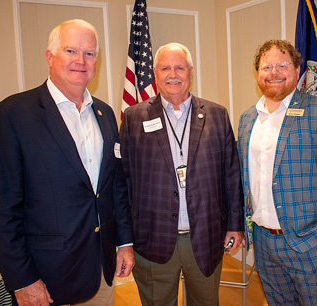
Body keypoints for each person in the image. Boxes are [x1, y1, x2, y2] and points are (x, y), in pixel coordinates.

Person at [0, 19, 134, 306]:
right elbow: (1, 208)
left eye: (89, 53)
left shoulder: (105, 116)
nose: (81, 60)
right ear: (49, 56)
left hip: (100, 271)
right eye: (70, 51)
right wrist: (22, 279)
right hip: (46, 278)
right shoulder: (12, 115)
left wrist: (124, 243)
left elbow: (115, 188)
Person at [119, 42, 244, 306]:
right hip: (152, 238)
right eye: (165, 68)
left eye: (179, 67)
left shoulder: (216, 114)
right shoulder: (133, 117)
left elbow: (231, 176)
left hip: (206, 236)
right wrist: (124, 240)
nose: (172, 74)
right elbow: (123, 182)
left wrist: (235, 225)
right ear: (155, 73)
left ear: (190, 71)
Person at [237, 39, 317, 305]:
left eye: (282, 65)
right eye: (266, 66)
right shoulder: (248, 119)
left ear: (296, 71)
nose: (273, 73)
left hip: (309, 243)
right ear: (257, 73)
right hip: (263, 242)